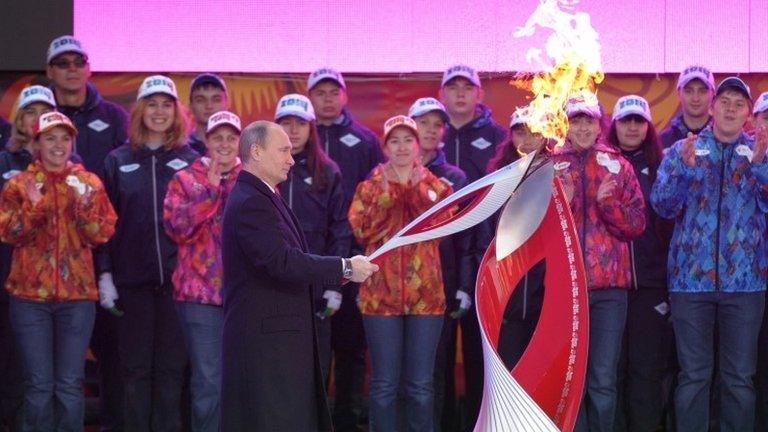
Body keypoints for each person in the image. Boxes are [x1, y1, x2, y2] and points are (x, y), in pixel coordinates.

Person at [219, 120, 377, 431]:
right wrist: (344, 267)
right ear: (256, 152)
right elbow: (282, 262)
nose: (291, 159)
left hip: (276, 339)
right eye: (284, 151)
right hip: (266, 344)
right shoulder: (252, 201)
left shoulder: (264, 196)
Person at [651, 77, 768, 432]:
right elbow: (662, 205)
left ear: (748, 113)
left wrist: (761, 166)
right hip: (690, 285)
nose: (731, 108)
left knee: (738, 380)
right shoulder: (682, 150)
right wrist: (684, 170)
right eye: (726, 101)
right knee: (694, 377)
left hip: (746, 287)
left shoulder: (761, 151)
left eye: (739, 103)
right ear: (712, 107)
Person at [0, 111, 116, 431]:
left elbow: (101, 234)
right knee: (38, 385)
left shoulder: (88, 182)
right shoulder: (19, 184)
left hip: (77, 299)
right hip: (29, 300)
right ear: (36, 143)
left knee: (69, 383)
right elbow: (9, 233)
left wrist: (83, 204)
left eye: (65, 138)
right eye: (50, 138)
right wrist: (34, 207)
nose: (59, 145)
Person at [96, 75, 198, 431]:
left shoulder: (192, 160)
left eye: (166, 104)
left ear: (177, 111)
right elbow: (105, 224)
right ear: (139, 111)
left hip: (178, 286)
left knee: (172, 373)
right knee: (135, 372)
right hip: (132, 285)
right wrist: (105, 274)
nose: (159, 111)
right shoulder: (117, 160)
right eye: (151, 104)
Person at [349, 115, 454, 432]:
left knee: (420, 386)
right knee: (384, 385)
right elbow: (362, 232)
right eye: (394, 140)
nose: (402, 146)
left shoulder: (437, 186)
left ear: (419, 145)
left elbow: (442, 229)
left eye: (408, 139)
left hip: (427, 299)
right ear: (385, 147)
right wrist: (388, 195)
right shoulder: (368, 188)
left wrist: (417, 189)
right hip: (380, 298)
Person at [46, 34, 129, 430]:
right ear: (50, 72)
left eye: (78, 61)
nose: (72, 69)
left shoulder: (114, 117)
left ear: (89, 68)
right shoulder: (38, 114)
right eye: (63, 63)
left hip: (107, 249)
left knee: (113, 352)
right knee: (54, 364)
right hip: (52, 263)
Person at [552, 95, 646, 432]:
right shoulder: (549, 164)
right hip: (566, 291)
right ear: (566, 124)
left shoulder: (618, 164)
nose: (582, 127)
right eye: (576, 120)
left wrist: (609, 205)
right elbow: (533, 228)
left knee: (603, 380)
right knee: (571, 379)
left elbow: (637, 224)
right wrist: (562, 202)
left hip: (609, 291)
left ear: (600, 124)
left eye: (589, 120)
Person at [307, 67, 384, 430]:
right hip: (311, 262)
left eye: (332, 91)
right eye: (319, 92)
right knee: (314, 352)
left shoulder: (364, 141)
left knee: (351, 349)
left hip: (355, 261)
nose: (326, 98)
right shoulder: (298, 141)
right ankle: (318, 420)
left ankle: (349, 419)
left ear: (344, 95)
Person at [163, 110, 242, 432]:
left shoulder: (253, 179)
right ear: (206, 140)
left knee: (242, 380)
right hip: (199, 298)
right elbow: (176, 228)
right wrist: (210, 189)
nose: (224, 144)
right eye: (217, 137)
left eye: (231, 137)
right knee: (208, 381)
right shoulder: (184, 179)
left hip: (244, 296)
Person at [438, 64, 508, 427]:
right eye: (454, 87)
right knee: (440, 351)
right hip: (442, 260)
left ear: (480, 94)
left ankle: (482, 423)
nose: (461, 93)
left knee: (483, 351)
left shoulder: (497, 135)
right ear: (442, 94)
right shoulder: (432, 135)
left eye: (468, 87)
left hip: (486, 255)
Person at [606, 95, 674, 432]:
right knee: (611, 371)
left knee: (646, 372)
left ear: (648, 127)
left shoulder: (662, 167)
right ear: (614, 125)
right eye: (625, 121)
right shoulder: (600, 164)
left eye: (638, 121)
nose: (632, 127)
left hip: (650, 287)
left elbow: (671, 227)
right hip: (611, 287)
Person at [274, 93, 352, 381]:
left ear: (311, 129)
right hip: (273, 285)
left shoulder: (328, 172)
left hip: (316, 287)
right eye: (286, 123)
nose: (293, 130)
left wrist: (334, 286)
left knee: (315, 369)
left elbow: (340, 231)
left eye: (300, 123)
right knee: (277, 370)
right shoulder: (261, 171)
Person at [407, 97, 471, 430]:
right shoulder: (386, 172)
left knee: (435, 370)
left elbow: (465, 238)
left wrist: (462, 285)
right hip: (395, 290)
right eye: (423, 122)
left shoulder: (455, 178)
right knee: (400, 374)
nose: (430, 130)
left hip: (439, 288)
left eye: (437, 124)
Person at [0, 86, 58, 431]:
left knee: (45, 370)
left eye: (44, 112)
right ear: (19, 120)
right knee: (10, 361)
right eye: (30, 112)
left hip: (55, 285)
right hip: (8, 274)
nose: (37, 119)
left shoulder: (72, 166)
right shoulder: (5, 162)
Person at [486, 109, 549, 370]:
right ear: (510, 136)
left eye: (534, 132)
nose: (527, 139)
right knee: (508, 366)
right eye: (520, 131)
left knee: (539, 368)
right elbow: (486, 235)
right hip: (508, 291)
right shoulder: (497, 178)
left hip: (543, 292)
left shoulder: (557, 172)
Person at [660, 65, 714, 149]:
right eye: (688, 91)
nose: (695, 98)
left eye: (702, 91)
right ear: (678, 94)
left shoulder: (726, 137)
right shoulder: (662, 141)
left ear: (713, 94)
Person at [187, 73, 229, 155]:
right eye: (201, 100)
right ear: (191, 106)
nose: (209, 106)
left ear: (227, 104)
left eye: (216, 100)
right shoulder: (180, 148)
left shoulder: (241, 148)